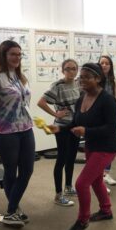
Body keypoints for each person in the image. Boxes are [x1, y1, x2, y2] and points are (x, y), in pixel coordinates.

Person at [48, 63, 116, 230]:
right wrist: (60, 129)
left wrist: (86, 131)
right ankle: (106, 211)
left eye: (87, 77)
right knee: (95, 181)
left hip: (106, 147)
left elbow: (110, 128)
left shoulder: (108, 100)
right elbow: (76, 121)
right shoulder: (82, 98)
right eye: (82, 77)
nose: (82, 80)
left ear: (98, 79)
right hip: (91, 146)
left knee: (81, 184)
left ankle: (83, 220)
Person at [0, 40, 35, 228]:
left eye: (19, 54)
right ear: (3, 55)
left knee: (27, 170)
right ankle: (13, 211)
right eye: (13, 54)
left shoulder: (19, 76)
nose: (17, 57)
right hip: (6, 133)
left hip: (26, 129)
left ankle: (12, 209)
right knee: (10, 170)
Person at [37, 59, 80, 206]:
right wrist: (56, 115)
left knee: (71, 158)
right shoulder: (57, 86)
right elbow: (41, 102)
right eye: (68, 69)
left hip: (74, 127)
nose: (71, 72)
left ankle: (68, 187)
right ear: (63, 70)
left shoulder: (78, 84)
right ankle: (58, 194)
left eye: (74, 69)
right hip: (61, 128)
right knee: (61, 159)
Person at [99, 55, 116, 187]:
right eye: (102, 63)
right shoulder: (95, 81)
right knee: (99, 150)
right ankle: (99, 178)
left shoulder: (114, 83)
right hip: (97, 120)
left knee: (110, 148)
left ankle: (106, 174)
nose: (104, 65)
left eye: (107, 63)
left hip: (111, 119)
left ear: (110, 66)